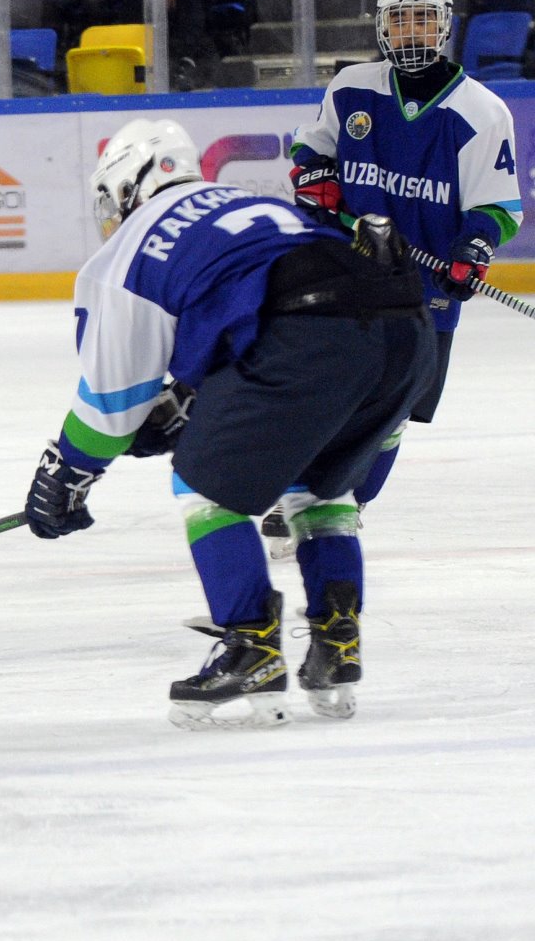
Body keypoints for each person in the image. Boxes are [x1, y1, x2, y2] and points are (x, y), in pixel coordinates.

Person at [23, 118, 436, 729]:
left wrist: (68, 471)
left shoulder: (130, 247)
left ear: (125, 189)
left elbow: (114, 400)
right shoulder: (253, 204)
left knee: (203, 487)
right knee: (320, 487)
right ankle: (337, 642)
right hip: (405, 336)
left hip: (311, 338)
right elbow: (252, 303)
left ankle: (251, 647)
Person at [275, 0, 522, 553]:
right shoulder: (353, 88)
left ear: (445, 25)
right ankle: (298, 494)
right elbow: (315, 147)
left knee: (393, 411)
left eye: (423, 18)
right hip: (344, 269)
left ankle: (345, 505)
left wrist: (473, 250)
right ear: (382, 27)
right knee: (320, 388)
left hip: (422, 288)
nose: (411, 30)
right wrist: (314, 176)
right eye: (399, 18)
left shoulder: (483, 113)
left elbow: (498, 205)